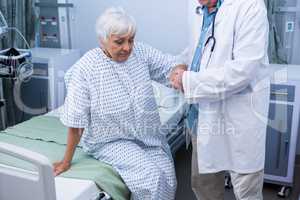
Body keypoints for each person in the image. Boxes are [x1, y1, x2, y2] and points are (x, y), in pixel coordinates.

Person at [53, 7, 186, 200]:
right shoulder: (86, 68)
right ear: (102, 40)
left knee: (168, 176)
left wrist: (180, 72)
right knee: (152, 179)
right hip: (110, 140)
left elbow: (169, 66)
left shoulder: (140, 52)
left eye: (131, 40)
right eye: (119, 42)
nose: (127, 47)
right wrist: (66, 161)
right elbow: (76, 120)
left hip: (148, 136)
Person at [170, 0, 270, 199]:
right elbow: (199, 46)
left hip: (238, 117)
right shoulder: (196, 5)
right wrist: (182, 64)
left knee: (246, 191)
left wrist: (188, 81)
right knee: (205, 187)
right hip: (202, 117)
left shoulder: (250, 6)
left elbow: (242, 72)